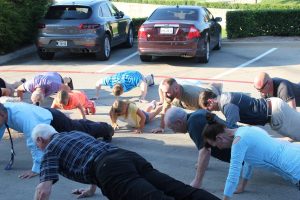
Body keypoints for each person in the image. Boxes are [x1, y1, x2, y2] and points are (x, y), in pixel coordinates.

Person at [33, 124, 220, 200]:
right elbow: (90, 155)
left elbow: (43, 190)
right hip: (127, 157)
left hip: (111, 170)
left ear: (41, 140)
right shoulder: (74, 134)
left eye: (37, 145)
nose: (39, 148)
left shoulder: (50, 148)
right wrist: (91, 190)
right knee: (177, 189)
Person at [0, 102, 113, 179]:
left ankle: (106, 129)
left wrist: (36, 168)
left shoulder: (23, 117)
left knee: (81, 131)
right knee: (78, 125)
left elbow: (34, 143)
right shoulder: (3, 111)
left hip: (53, 120)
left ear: (2, 114)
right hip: (40, 115)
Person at [202, 119, 300, 200]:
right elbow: (249, 162)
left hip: (294, 166)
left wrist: (225, 198)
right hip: (295, 152)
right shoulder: (247, 130)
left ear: (219, 138)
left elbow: (233, 175)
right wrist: (242, 186)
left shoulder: (238, 142)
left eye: (215, 145)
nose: (219, 148)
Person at [164, 107, 231, 189]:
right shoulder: (197, 114)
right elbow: (207, 146)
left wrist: (197, 181)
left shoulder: (193, 123)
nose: (174, 131)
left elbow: (205, 151)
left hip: (242, 152)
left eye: (172, 128)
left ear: (179, 122)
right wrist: (201, 164)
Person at [199, 90, 300, 141]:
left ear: (210, 101)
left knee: (297, 135)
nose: (209, 111)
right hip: (273, 107)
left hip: (275, 112)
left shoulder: (228, 105)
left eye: (207, 108)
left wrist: (215, 119)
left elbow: (231, 128)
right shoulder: (225, 96)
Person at [152, 78, 222, 133]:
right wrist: (161, 127)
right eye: (164, 92)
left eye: (167, 92)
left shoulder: (191, 96)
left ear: (176, 88)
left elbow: (205, 113)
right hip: (184, 100)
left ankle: (216, 85)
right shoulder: (169, 95)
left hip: (211, 93)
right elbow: (165, 110)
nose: (165, 95)